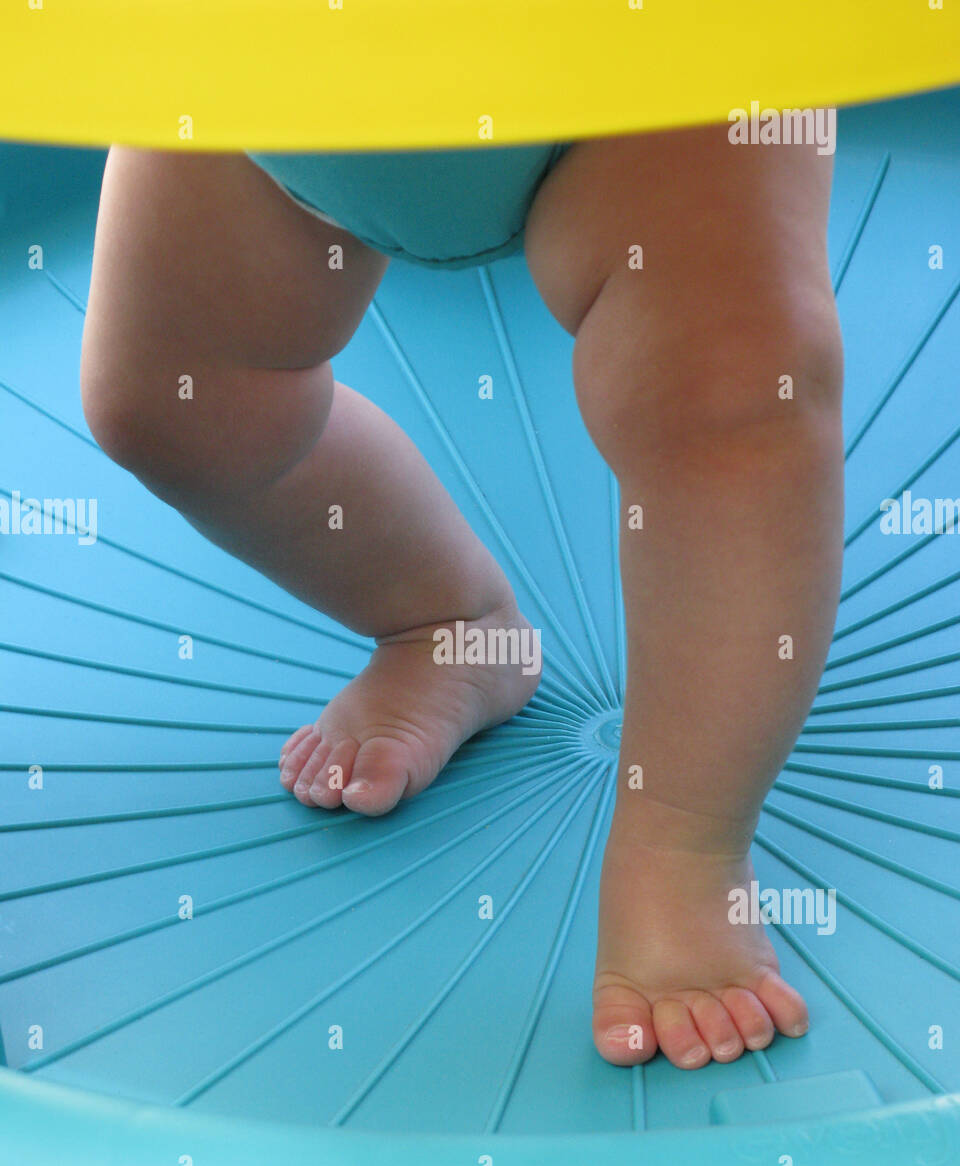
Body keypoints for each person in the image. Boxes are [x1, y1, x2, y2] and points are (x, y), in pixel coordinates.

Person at [80, 122, 843, 1068]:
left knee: (724, 394)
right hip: (281, 81)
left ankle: (682, 849)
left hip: (644, 82)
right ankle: (446, 623)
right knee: (171, 404)